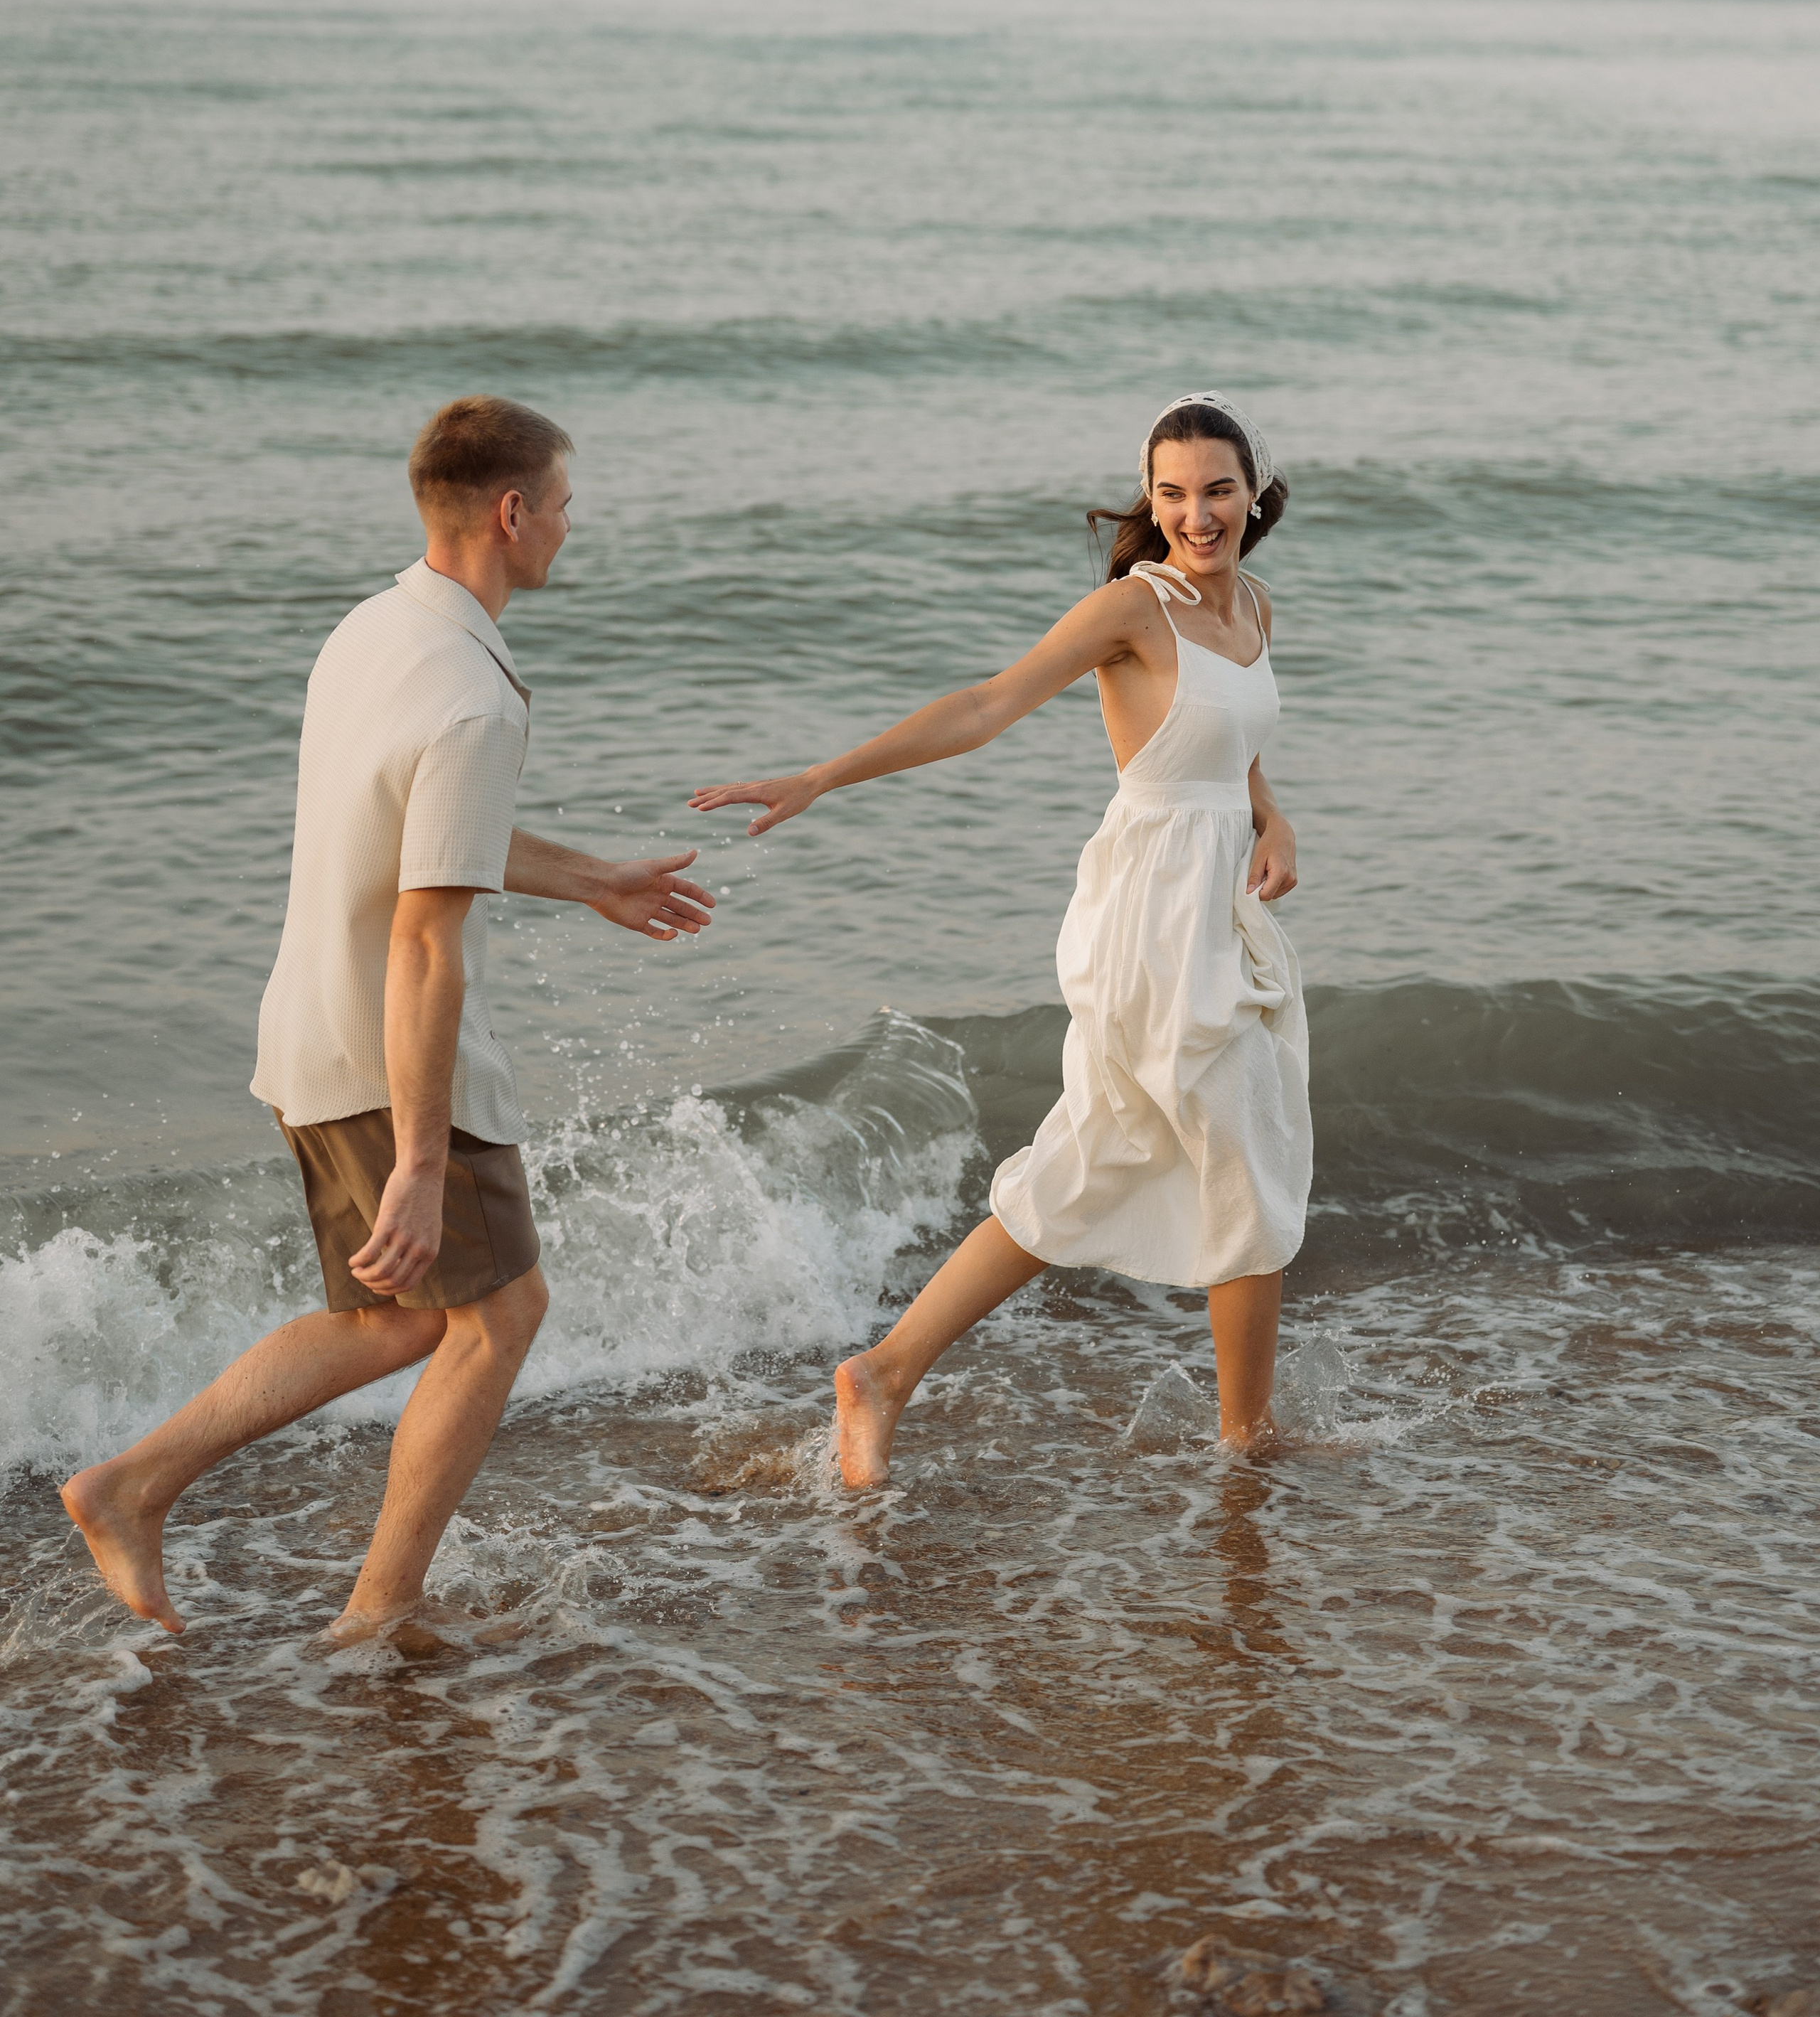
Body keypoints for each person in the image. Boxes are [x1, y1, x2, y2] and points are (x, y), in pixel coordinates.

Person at [62, 395, 714, 1637]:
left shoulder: (373, 629)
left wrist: (592, 880)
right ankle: (377, 1609)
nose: (571, 529)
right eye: (566, 506)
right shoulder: (477, 691)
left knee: (403, 1316)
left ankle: (131, 1486)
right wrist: (421, 1161)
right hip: (385, 1048)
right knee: (501, 1314)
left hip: (309, 1022)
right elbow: (426, 935)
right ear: (512, 514)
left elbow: (414, 839)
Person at [692, 390, 1310, 1487]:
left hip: (1223, 907)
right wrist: (822, 776)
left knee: (1173, 1156)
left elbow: (1232, 740)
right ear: (1151, 500)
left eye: (1217, 491)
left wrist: (1275, 814)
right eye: (1171, 494)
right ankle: (1235, 1437)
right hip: (1154, 915)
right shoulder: (1134, 609)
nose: (1196, 516)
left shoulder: (1252, 604)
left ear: (1252, 491)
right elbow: (984, 706)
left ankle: (896, 1377)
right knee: (1211, 1159)